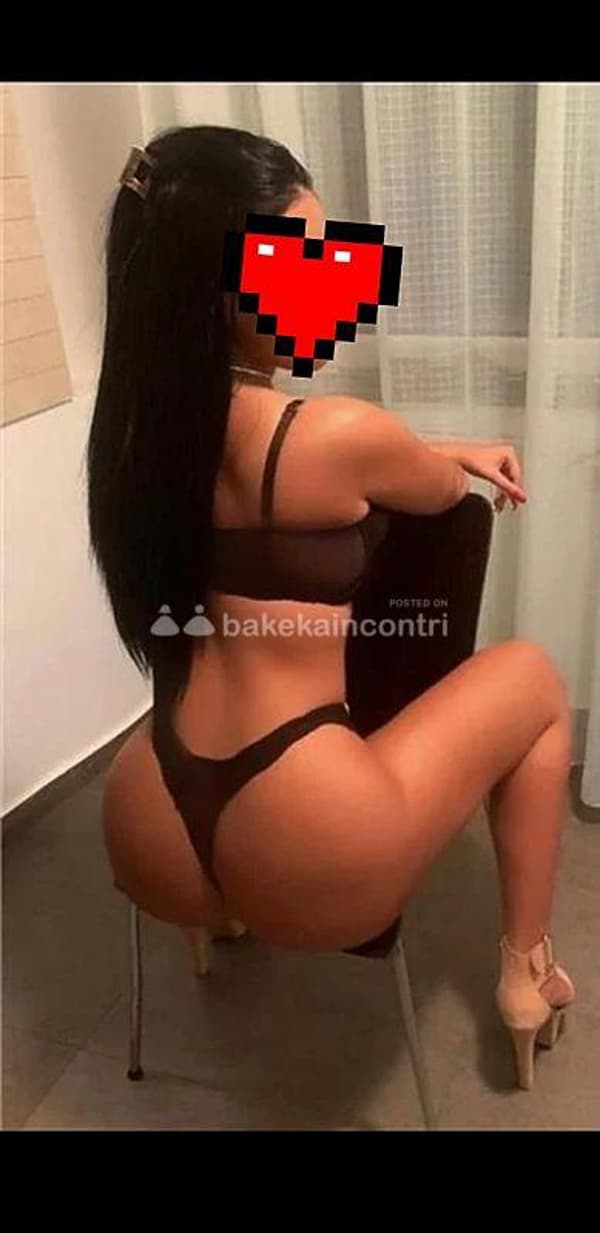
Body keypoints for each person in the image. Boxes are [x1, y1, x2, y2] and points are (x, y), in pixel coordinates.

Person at [89, 126, 574, 1092]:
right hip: (305, 827)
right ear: (222, 286)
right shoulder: (333, 434)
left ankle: (212, 923)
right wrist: (452, 452)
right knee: (536, 681)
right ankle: (527, 971)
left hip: (147, 815)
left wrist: (417, 447)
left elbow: (322, 470)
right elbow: (435, 488)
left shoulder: (136, 426)